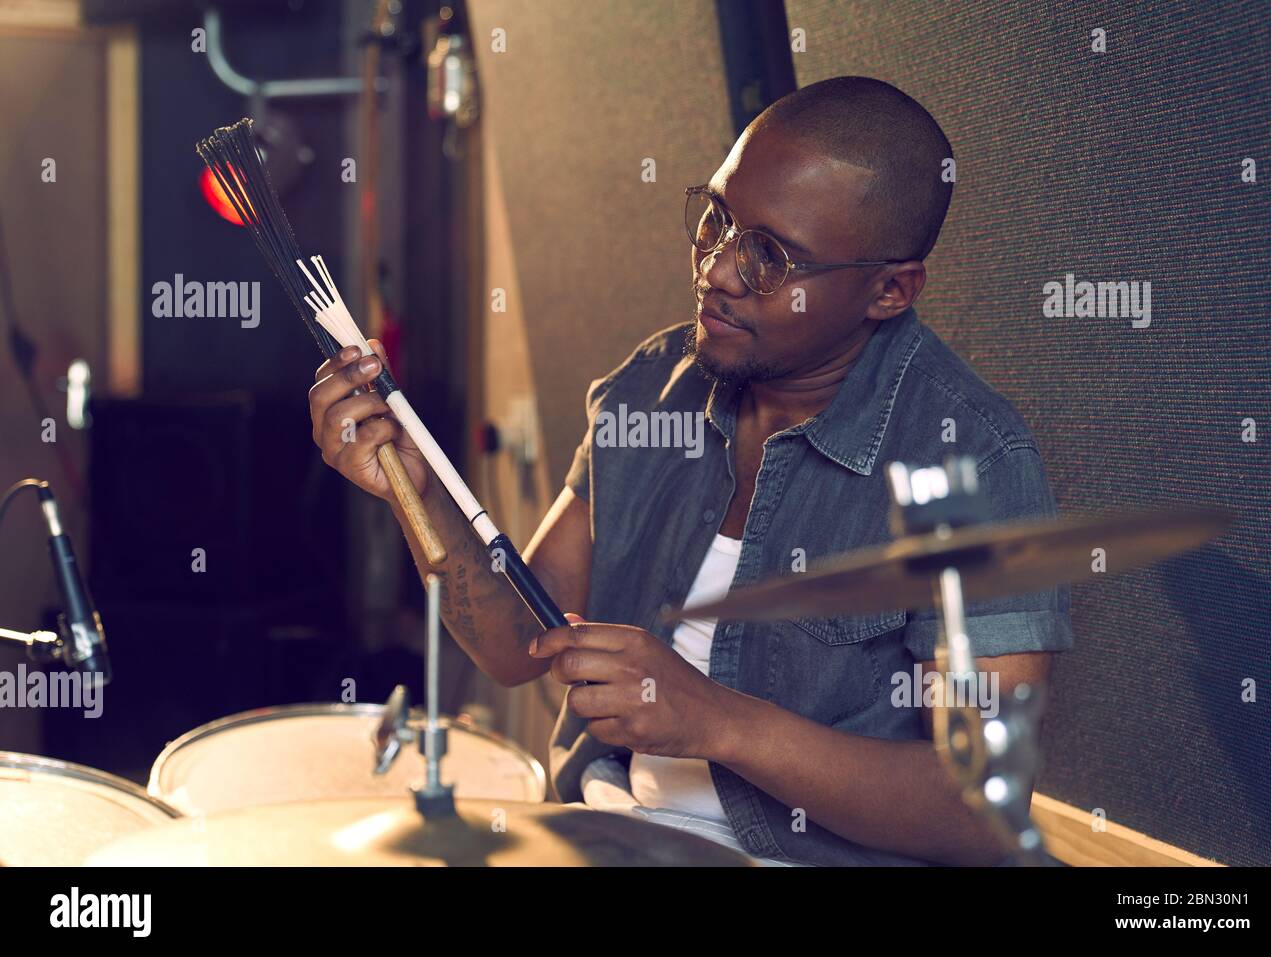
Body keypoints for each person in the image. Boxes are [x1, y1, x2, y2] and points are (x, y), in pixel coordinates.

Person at [308, 76, 1072, 866]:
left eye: (770, 256)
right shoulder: (655, 385)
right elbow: (515, 646)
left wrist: (713, 718)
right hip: (612, 831)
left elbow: (979, 803)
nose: (717, 268)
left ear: (889, 289)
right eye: (717, 217)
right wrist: (416, 487)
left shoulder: (973, 461)